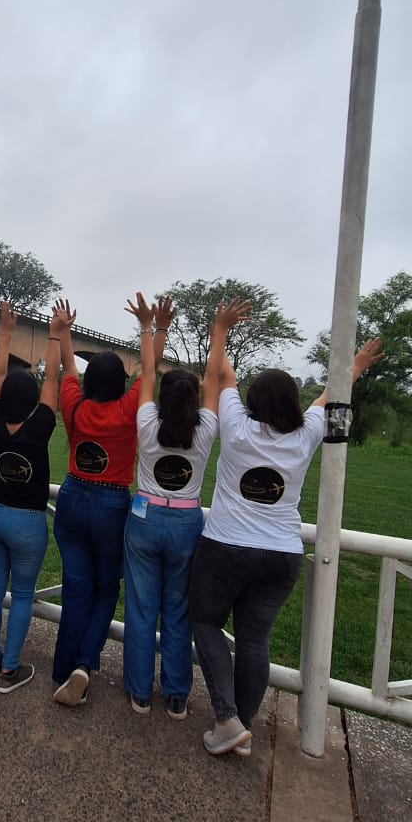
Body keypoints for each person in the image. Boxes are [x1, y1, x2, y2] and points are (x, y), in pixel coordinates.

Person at [189, 334, 384, 757]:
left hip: (225, 547)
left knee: (204, 621)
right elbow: (329, 396)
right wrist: (355, 365)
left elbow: (223, 376)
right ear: (294, 401)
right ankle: (240, 725)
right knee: (254, 639)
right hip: (281, 555)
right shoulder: (306, 433)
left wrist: (221, 330)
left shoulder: (236, 427)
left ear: (253, 401)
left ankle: (227, 719)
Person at [122, 294, 250, 717]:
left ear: (163, 396)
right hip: (185, 523)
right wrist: (220, 331)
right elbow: (214, 377)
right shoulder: (207, 428)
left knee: (142, 609)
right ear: (195, 399)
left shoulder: (146, 422)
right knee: (177, 612)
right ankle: (176, 695)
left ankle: (140, 692)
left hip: (143, 518)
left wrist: (149, 327)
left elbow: (145, 374)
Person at [52, 303, 169, 707]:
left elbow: (69, 367)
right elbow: (149, 372)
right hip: (112, 504)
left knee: (75, 589)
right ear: (121, 382)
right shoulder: (127, 409)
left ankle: (63, 670)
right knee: (105, 589)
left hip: (71, 497)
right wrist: (152, 328)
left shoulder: (74, 404)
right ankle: (85, 664)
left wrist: (63, 331)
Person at [0, 300, 74, 694]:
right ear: (35, 402)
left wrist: (5, 332)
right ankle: (10, 670)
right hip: (27, 522)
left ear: (2, 398)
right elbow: (53, 377)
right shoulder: (41, 425)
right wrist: (54, 334)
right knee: (21, 596)